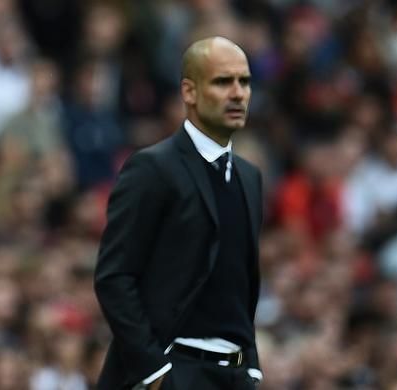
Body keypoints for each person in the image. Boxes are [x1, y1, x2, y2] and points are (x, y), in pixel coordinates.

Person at [94, 37, 264, 389]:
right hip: (177, 370)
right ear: (189, 91)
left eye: (244, 82)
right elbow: (115, 277)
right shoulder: (152, 168)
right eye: (222, 81)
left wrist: (251, 367)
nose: (238, 93)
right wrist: (155, 372)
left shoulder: (250, 178)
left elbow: (240, 283)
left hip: (234, 376)